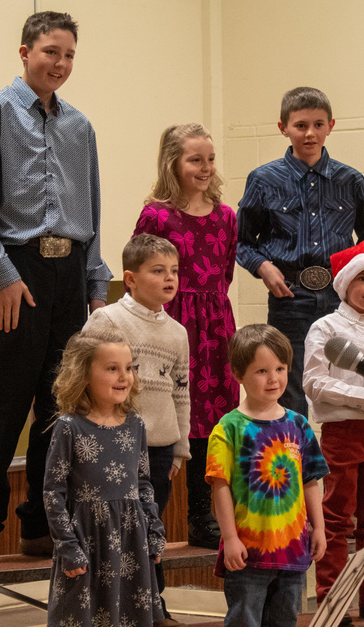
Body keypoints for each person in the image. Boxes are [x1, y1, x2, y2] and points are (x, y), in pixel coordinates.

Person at [0, 11, 113, 567]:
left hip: (70, 276)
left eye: (69, 55)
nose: (60, 64)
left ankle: (41, 525)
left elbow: (90, 210)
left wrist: (97, 287)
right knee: (6, 401)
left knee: (59, 405)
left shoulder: (80, 126)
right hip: (15, 272)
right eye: (50, 52)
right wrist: (1, 276)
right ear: (24, 52)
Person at [236, 86, 364, 417]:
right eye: (301, 125)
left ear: (331, 125)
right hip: (289, 298)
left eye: (318, 125)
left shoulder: (350, 180)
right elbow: (242, 240)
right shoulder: (263, 179)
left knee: (350, 383)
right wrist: (263, 266)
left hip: (341, 299)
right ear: (283, 128)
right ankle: (296, 466)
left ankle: (338, 465)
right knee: (287, 387)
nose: (310, 134)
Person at [134, 123, 239, 550]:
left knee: (210, 423)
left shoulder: (226, 216)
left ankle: (202, 515)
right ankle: (149, 519)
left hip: (215, 326)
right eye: (196, 159)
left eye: (210, 159)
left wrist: (210, 312)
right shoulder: (157, 215)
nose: (205, 168)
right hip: (170, 324)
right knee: (168, 415)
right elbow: (141, 272)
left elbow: (226, 272)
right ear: (173, 163)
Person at [81, 233, 190, 626]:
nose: (169, 279)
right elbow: (84, 380)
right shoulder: (108, 319)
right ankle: (110, 606)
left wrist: (180, 446)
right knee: (116, 532)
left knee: (151, 529)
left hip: (159, 448)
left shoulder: (178, 332)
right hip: (115, 447)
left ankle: (152, 605)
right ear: (130, 278)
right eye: (158, 271)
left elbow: (182, 391)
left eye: (174, 271)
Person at [303, 240, 364, 623]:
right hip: (341, 432)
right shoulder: (325, 327)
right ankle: (333, 598)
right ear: (345, 283)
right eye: (363, 278)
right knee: (336, 516)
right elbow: (313, 382)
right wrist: (363, 398)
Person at [207, 324, 329, 627]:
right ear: (238, 374)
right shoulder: (228, 428)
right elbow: (220, 488)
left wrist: (320, 528)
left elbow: (310, 480)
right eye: (261, 371)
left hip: (293, 551)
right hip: (247, 554)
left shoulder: (299, 425)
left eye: (280, 368)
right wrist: (231, 538)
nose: (273, 378)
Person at [43, 329, 166, 627]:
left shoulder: (135, 424)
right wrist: (68, 546)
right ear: (83, 375)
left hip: (130, 540)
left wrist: (154, 530)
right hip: (87, 539)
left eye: (128, 368)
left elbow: (143, 484)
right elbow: (52, 493)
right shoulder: (69, 427)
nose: (124, 377)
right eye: (112, 369)